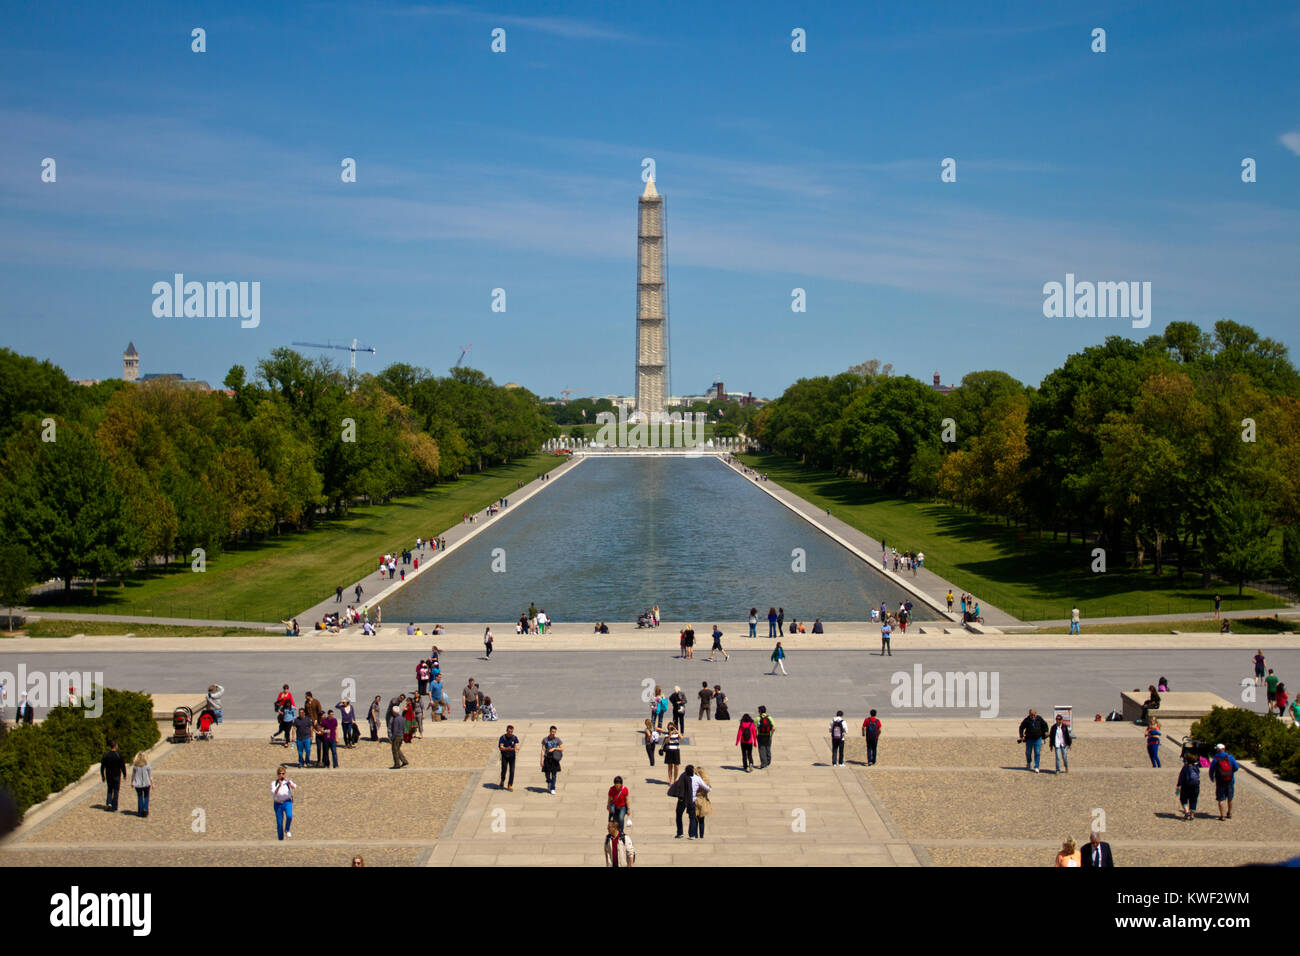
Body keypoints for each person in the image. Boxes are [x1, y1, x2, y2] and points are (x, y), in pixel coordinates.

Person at [1209, 744, 1239, 821]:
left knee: (1221, 799)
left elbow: (1211, 770)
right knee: (1230, 797)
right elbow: (1236, 767)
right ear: (1224, 749)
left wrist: (1212, 778)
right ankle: (1229, 813)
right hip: (1230, 780)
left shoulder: (1216, 758)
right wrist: (1230, 773)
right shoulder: (1230, 757)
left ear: (1217, 750)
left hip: (1220, 781)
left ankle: (1222, 816)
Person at [1018, 708, 1049, 773]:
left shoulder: (1039, 719)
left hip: (1038, 738)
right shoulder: (1027, 720)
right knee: (1028, 752)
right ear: (1029, 714)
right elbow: (1021, 727)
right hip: (1029, 739)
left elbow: (1045, 724)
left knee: (1037, 753)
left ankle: (1036, 766)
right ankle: (1029, 762)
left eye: (1034, 715)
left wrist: (1046, 731)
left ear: (1036, 714)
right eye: (1031, 715)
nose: (1033, 716)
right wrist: (1021, 736)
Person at [100, 740, 125, 812]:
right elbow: (122, 765)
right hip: (116, 775)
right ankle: (115, 806)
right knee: (116, 790)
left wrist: (102, 775)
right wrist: (124, 774)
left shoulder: (106, 754)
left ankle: (109, 803)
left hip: (108, 775)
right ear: (115, 746)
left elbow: (102, 766)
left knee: (110, 789)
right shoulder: (118, 755)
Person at [687, 766, 711, 840]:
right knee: (702, 820)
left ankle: (695, 835)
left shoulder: (694, 779)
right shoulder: (706, 781)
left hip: (695, 800)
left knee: (695, 819)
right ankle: (701, 836)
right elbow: (708, 789)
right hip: (702, 800)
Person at [272, 766, 296, 839]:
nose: (281, 775)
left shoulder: (287, 781)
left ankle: (287, 829)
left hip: (287, 802)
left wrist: (288, 782)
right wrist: (279, 785)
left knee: (289, 816)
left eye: (283, 773)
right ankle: (280, 839)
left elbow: (294, 787)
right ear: (277, 774)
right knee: (279, 823)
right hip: (278, 803)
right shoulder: (274, 783)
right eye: (280, 773)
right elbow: (274, 793)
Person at [1176, 754, 1201, 820]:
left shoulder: (1185, 767)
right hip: (1195, 785)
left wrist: (1178, 785)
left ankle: (1187, 811)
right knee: (1194, 799)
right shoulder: (1196, 767)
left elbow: (1181, 777)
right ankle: (1192, 815)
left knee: (1183, 799)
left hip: (1186, 785)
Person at [541, 726, 563, 794]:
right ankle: (549, 782)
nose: (553, 733)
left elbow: (562, 748)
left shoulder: (557, 739)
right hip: (547, 758)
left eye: (554, 732)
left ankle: (553, 788)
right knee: (547, 773)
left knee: (554, 774)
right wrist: (541, 760)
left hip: (554, 759)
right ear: (550, 731)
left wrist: (554, 749)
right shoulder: (545, 739)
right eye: (552, 731)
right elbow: (542, 750)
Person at [131, 751, 153, 818]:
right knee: (146, 796)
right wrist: (153, 783)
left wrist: (132, 782)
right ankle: (145, 808)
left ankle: (140, 812)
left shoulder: (135, 766)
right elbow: (150, 776)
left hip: (138, 784)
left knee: (140, 797)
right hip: (146, 783)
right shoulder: (147, 765)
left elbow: (133, 775)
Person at [389, 701, 409, 769]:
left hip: (397, 736)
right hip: (401, 735)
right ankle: (404, 761)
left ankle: (397, 764)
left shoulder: (396, 719)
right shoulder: (401, 718)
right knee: (398, 749)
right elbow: (403, 728)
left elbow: (395, 730)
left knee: (395, 750)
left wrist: (392, 738)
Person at [498, 725, 519, 790]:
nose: (510, 733)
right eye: (509, 731)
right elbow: (501, 747)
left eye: (511, 732)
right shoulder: (503, 738)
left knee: (512, 771)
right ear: (507, 731)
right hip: (505, 756)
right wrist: (507, 748)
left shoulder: (514, 738)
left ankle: (510, 784)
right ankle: (502, 780)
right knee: (504, 770)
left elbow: (517, 745)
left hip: (512, 756)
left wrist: (516, 749)